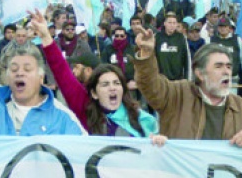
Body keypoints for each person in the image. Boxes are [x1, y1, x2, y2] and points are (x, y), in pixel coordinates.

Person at [0, 4, 85, 135]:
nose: (19, 73)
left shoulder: (62, 119)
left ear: (41, 77)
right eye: (14, 69)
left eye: (27, 69)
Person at [32, 11, 163, 142]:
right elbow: (61, 71)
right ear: (94, 93)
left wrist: (159, 144)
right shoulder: (86, 112)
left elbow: (155, 154)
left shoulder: (142, 119)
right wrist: (45, 36)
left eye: (116, 83)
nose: (112, 88)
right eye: (105, 84)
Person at [133, 25, 242, 147]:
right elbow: (149, 84)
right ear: (200, 74)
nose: (226, 72)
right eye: (218, 66)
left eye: (229, 66)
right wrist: (146, 53)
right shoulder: (176, 95)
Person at [154, 12, 190, 81]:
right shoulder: (157, 37)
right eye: (170, 23)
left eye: (174, 23)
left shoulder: (181, 38)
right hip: (161, 80)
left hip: (177, 81)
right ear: (165, 23)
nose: (172, 25)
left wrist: (187, 79)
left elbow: (187, 60)